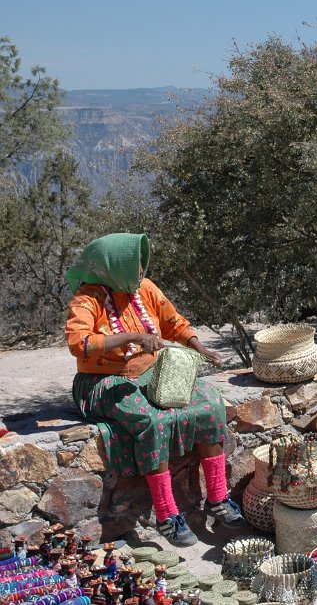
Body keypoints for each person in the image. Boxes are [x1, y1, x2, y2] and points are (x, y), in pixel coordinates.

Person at [64, 233, 245, 546]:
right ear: (113, 266)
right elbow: (78, 343)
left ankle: (218, 498)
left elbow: (174, 322)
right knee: (154, 421)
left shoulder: (144, 289)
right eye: (132, 264)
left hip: (149, 374)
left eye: (140, 264)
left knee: (211, 404)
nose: (140, 271)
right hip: (104, 382)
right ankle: (166, 515)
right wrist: (133, 337)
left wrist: (201, 349)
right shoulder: (87, 299)